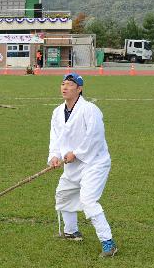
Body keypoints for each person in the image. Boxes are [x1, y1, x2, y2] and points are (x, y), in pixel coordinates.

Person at [48, 73, 117, 257]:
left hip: (94, 162)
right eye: (63, 84)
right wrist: (55, 156)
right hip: (71, 164)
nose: (65, 87)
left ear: (79, 89)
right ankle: (71, 232)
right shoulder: (57, 112)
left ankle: (108, 242)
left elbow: (94, 136)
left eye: (70, 84)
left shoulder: (90, 109)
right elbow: (55, 138)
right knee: (63, 194)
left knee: (88, 200)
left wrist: (76, 153)